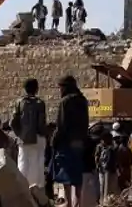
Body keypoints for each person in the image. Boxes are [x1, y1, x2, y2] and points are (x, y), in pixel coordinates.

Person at [52, 75, 89, 207]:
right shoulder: (83, 100)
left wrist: (54, 141)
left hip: (67, 142)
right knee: (77, 175)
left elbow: (61, 125)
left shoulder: (65, 101)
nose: (60, 91)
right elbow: (86, 123)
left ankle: (68, 202)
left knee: (66, 174)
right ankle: (77, 202)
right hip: (79, 142)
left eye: (61, 88)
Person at [12, 78, 47, 187]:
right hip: (37, 138)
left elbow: (13, 122)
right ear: (36, 89)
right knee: (37, 165)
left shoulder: (19, 102)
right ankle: (36, 188)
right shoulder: (40, 103)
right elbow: (41, 123)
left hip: (23, 138)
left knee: (22, 164)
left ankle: (22, 188)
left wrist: (19, 134)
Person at [95, 132, 117, 201]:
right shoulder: (109, 147)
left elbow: (97, 157)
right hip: (105, 170)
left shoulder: (111, 148)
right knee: (104, 186)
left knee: (105, 187)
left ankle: (104, 201)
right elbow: (97, 157)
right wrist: (98, 166)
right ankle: (103, 201)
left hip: (107, 170)